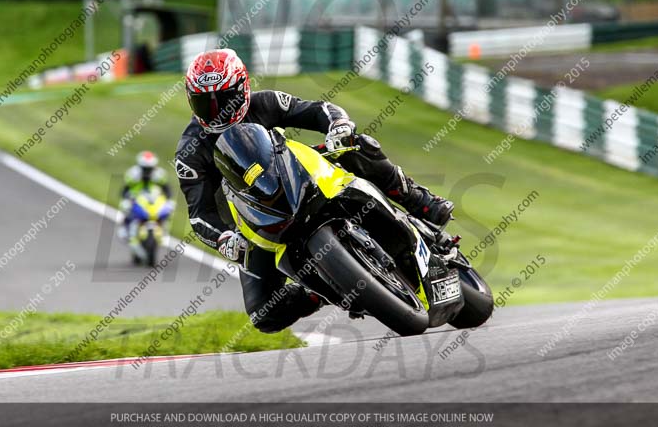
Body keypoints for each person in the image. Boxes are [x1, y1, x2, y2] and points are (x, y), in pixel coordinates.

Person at [175, 49, 453, 333]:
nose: (216, 109)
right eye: (204, 103)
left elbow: (317, 110)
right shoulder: (189, 152)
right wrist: (224, 238)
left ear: (243, 88)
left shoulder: (265, 102)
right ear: (190, 100)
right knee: (264, 315)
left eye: (224, 99)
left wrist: (338, 125)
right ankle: (319, 290)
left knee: (357, 146)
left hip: (301, 176)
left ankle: (419, 200)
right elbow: (200, 214)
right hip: (256, 223)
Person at [119, 151, 172, 242]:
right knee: (125, 206)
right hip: (136, 197)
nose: (147, 171)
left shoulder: (159, 174)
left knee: (169, 208)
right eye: (145, 168)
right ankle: (125, 227)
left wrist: (167, 199)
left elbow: (166, 189)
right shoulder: (133, 174)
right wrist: (127, 198)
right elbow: (125, 189)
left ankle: (164, 229)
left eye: (149, 168)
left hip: (153, 198)